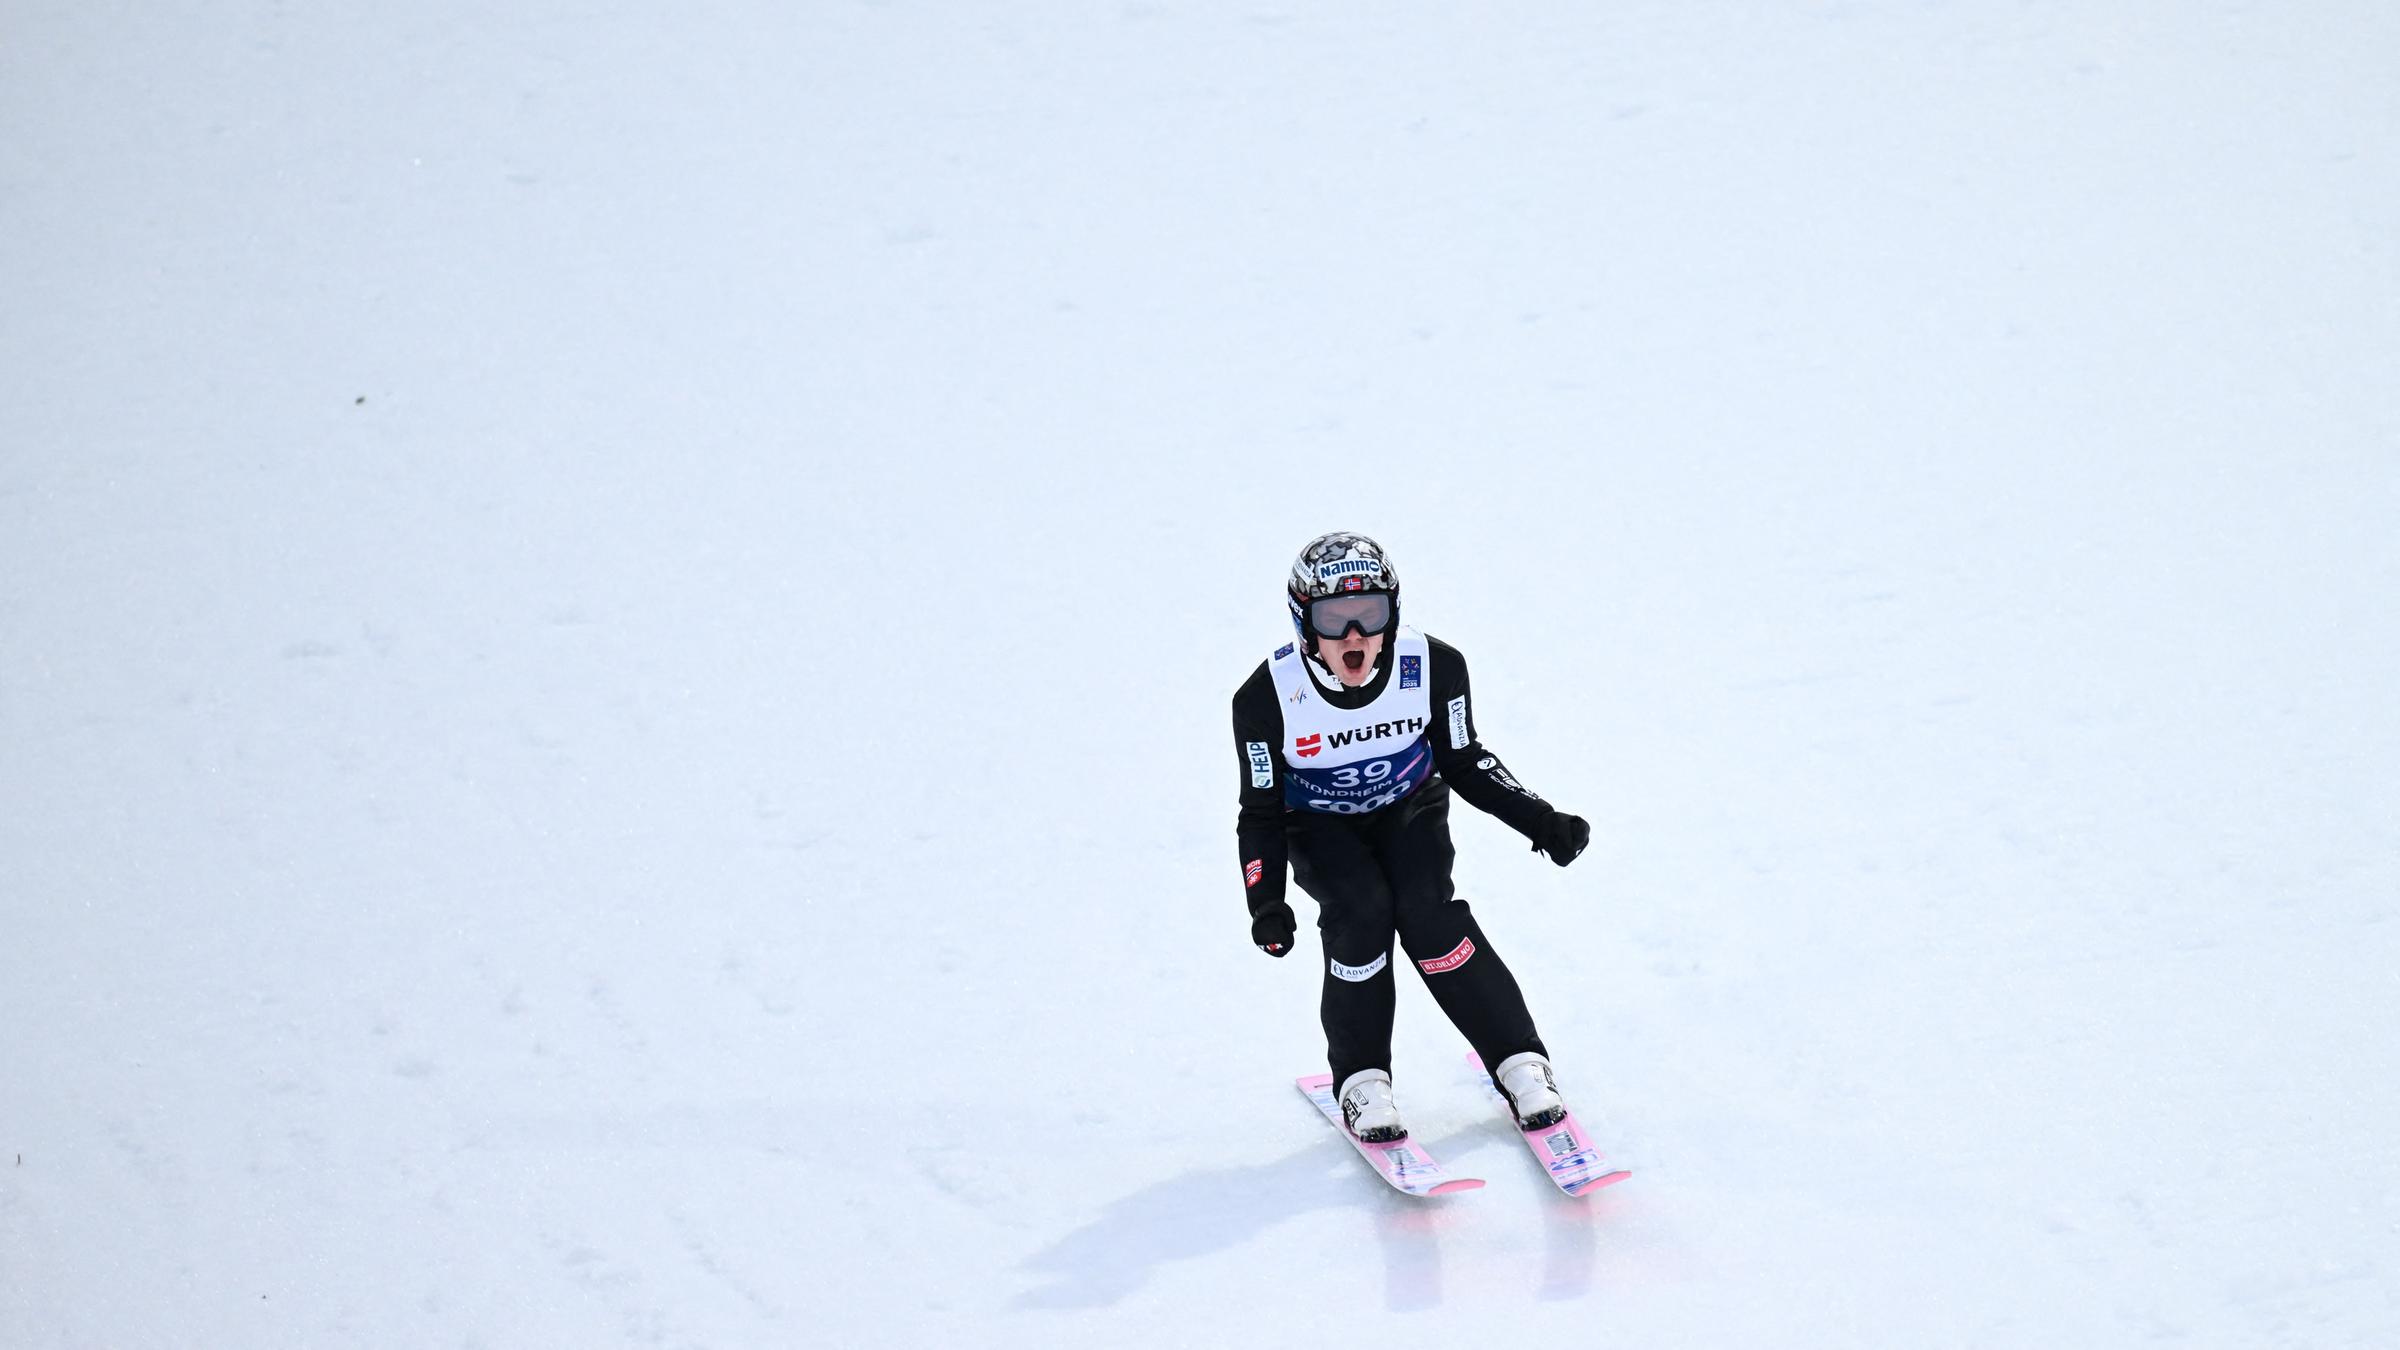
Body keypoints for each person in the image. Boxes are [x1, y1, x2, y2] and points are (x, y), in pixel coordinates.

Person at [1232, 531, 1592, 1143]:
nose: (1354, 636)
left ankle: (1520, 1061)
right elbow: (1260, 812)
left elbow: (1465, 760)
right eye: (1334, 619)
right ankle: (1362, 1081)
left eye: (1370, 614)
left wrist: (1541, 820)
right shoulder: (1265, 697)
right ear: (1304, 623)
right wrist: (1265, 901)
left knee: (1430, 916)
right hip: (1316, 823)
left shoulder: (1433, 668)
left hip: (1408, 806)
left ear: (1392, 614)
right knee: (1360, 913)